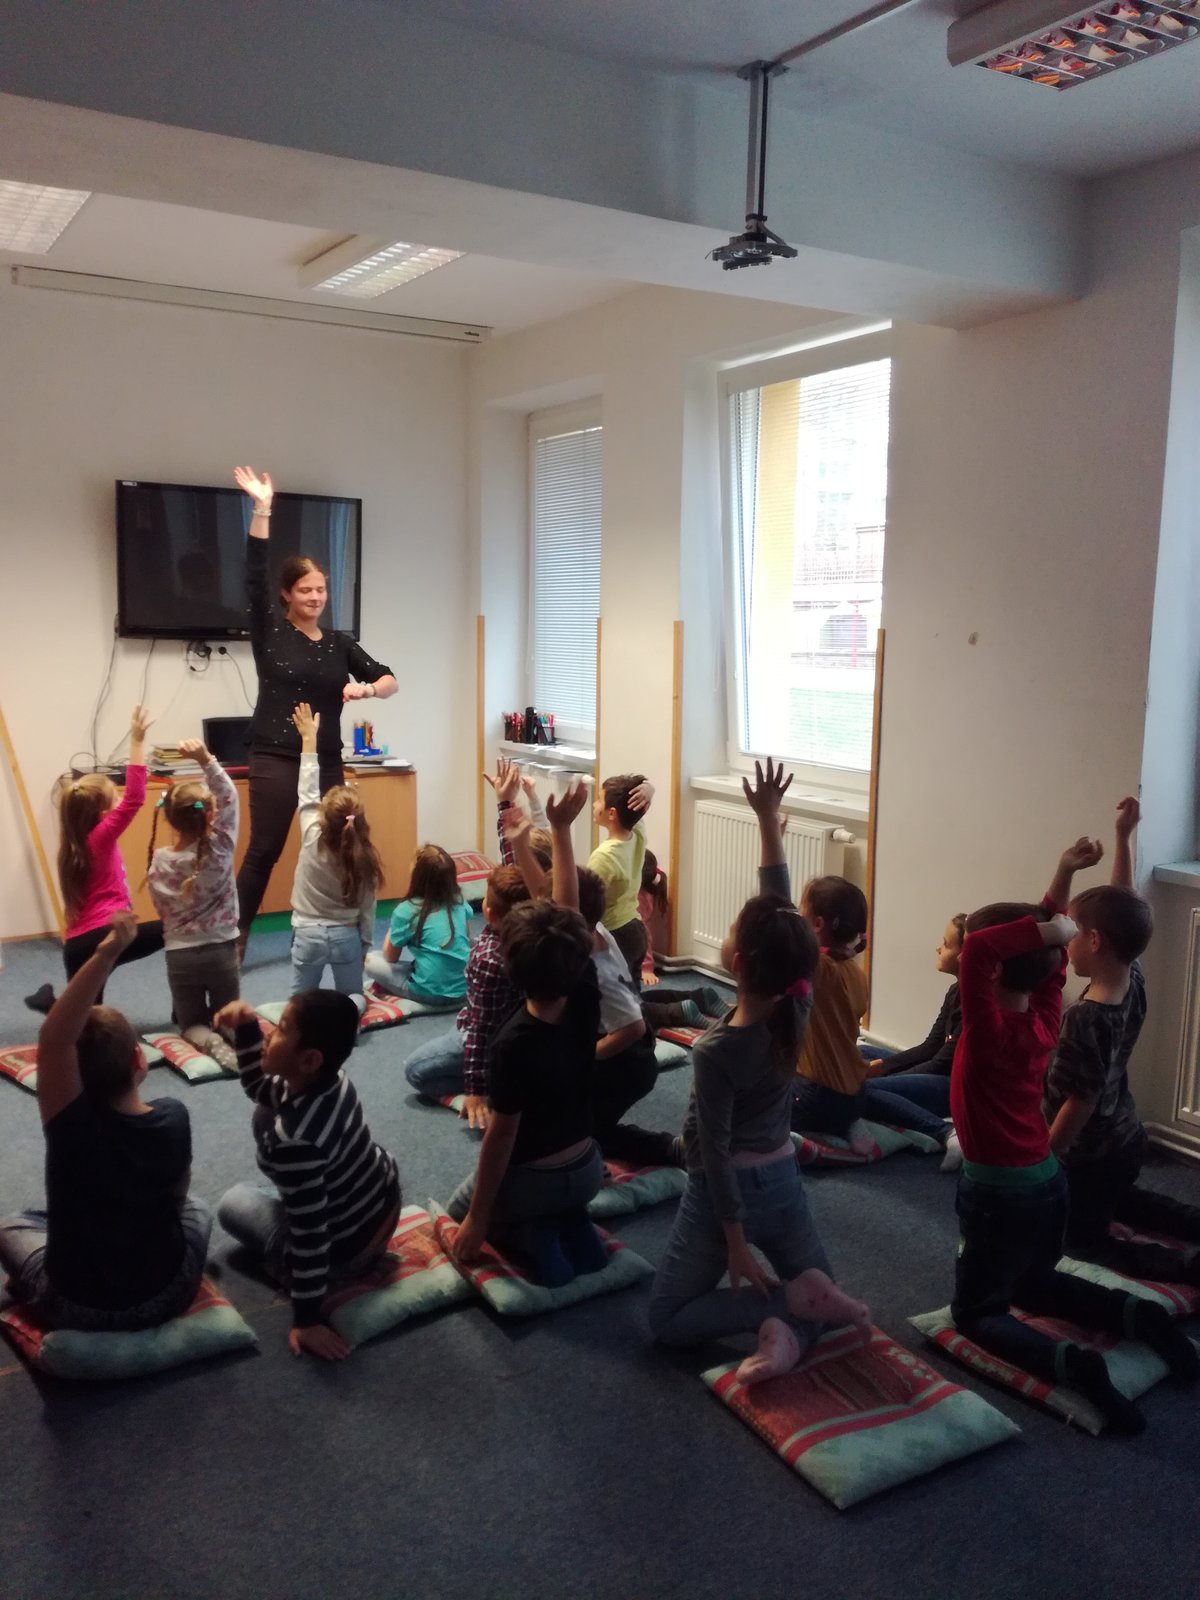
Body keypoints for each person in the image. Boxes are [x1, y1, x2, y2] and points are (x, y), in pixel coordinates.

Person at [648, 760, 870, 1384]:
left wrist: (734, 1240)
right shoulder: (798, 1002)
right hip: (784, 1180)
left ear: (737, 961)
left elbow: (712, 1152)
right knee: (823, 1295)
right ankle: (789, 1335)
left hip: (730, 1198)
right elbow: (780, 906)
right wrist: (768, 821)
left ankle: (778, 1309)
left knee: (666, 1319)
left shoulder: (714, 1050)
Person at [950, 887, 1198, 1434]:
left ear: (991, 971)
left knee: (976, 1312)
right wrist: (1057, 904)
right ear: (1052, 965)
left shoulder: (986, 1032)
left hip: (997, 1194)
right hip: (1049, 1183)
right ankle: (1141, 1315)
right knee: (1035, 1283)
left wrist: (1051, 928)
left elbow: (980, 951)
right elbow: (1041, 959)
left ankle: (1073, 1364)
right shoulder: (1045, 1020)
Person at [0, 914, 212, 1330]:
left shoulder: (71, 1127)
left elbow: (54, 1039)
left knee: (11, 1225)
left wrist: (106, 952)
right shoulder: (173, 1116)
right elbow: (177, 1196)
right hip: (167, 1293)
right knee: (199, 1209)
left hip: (76, 1306)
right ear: (138, 1058)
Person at [447, 781, 609, 1286]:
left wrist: (478, 1218)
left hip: (539, 1181)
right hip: (589, 1168)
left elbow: (500, 1139)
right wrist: (560, 830)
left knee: (457, 1210)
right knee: (555, 1197)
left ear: (512, 971)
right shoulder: (584, 992)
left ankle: (532, 1236)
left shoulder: (513, 1041)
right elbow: (567, 913)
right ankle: (573, 1222)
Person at [231, 466, 397, 955]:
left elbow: (389, 679)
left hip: (325, 758)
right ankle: (234, 940)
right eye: (305, 590)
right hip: (275, 754)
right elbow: (253, 573)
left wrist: (368, 691)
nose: (315, 597)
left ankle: (340, 928)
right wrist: (263, 509)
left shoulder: (339, 643)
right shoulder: (270, 631)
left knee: (344, 841)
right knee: (265, 850)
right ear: (287, 593)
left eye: (321, 589)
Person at [1045, 798, 1200, 1284]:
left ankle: (1185, 1267)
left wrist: (1046, 1160)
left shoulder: (1085, 1018)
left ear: (1095, 942)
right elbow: (1124, 904)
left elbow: (1081, 1101)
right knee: (1120, 1199)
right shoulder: (1132, 976)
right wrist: (1123, 836)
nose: (1066, 941)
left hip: (1089, 1154)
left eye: (1073, 933)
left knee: (1079, 1239)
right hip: (1126, 1141)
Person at [215, 990, 401, 1362]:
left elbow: (311, 1235)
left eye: (281, 1028)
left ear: (309, 1059)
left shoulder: (295, 1142)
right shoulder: (332, 1078)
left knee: (231, 1203)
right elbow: (260, 1088)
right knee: (267, 1114)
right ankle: (301, 1193)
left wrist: (307, 1319)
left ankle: (325, 1271)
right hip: (381, 1201)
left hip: (346, 1246)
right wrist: (247, 1029)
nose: (269, 1032)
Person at [503, 806, 679, 1168]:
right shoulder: (585, 929)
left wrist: (585, 1056)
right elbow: (546, 897)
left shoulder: (590, 956)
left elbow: (633, 1028)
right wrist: (520, 844)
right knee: (576, 1120)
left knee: (581, 1130)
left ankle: (669, 1149)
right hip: (621, 1051)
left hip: (628, 1060)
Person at [401, 767, 535, 1130]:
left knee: (415, 1070)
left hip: (493, 1038)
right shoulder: (538, 922)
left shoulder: (488, 957)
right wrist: (505, 803)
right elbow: (515, 863)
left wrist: (476, 1090)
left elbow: (481, 1029)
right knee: (462, 1025)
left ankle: (495, 1084)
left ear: (487, 912)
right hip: (512, 1033)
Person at [790, 877, 950, 1152]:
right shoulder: (855, 972)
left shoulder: (819, 970)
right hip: (853, 1097)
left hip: (815, 1099)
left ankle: (811, 1138)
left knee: (753, 1092)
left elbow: (783, 927)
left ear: (817, 924)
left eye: (801, 911)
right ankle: (849, 1124)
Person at [25, 704, 163, 1015]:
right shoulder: (100, 838)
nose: (120, 800)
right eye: (115, 798)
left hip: (77, 945)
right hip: (105, 935)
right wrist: (137, 741)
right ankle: (186, 1007)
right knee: (177, 929)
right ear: (103, 814)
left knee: (82, 1016)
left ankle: (51, 1005)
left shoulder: (72, 845)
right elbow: (136, 798)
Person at [145, 734, 240, 1068]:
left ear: (169, 818)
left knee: (191, 1024)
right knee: (229, 1015)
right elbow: (230, 797)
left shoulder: (159, 861)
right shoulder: (220, 850)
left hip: (180, 955)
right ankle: (233, 1037)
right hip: (221, 951)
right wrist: (206, 760)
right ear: (210, 815)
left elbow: (160, 907)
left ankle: (208, 1040)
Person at [289, 703, 382, 1004]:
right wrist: (365, 945)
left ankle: (302, 1025)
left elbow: (307, 789)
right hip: (347, 936)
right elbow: (368, 908)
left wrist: (308, 740)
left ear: (323, 815)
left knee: (300, 1003)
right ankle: (347, 1018)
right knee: (353, 997)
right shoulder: (365, 856)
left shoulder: (311, 835)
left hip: (307, 934)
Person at [860, 914, 966, 1121]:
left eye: (946, 944)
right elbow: (930, 1047)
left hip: (951, 1083)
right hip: (937, 1070)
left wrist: (889, 1077)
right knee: (862, 1051)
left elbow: (939, 1065)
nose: (938, 948)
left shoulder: (975, 1005)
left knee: (864, 1089)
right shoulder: (955, 991)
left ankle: (943, 1131)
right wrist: (883, 1065)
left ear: (964, 955)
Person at [364, 844, 470, 1004]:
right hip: (463, 990)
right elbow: (465, 937)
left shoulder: (406, 910)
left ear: (417, 877)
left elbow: (390, 957)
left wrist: (393, 928)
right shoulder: (459, 901)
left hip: (427, 994)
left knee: (370, 960)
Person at [587, 772, 654, 986]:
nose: (594, 804)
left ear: (612, 813)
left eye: (599, 800)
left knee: (614, 996)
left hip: (614, 934)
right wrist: (648, 790)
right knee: (633, 995)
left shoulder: (604, 855)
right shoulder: (637, 834)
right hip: (636, 928)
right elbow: (640, 805)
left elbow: (588, 901)